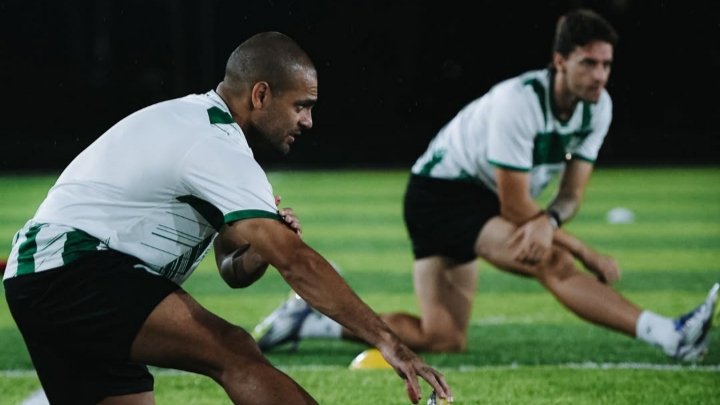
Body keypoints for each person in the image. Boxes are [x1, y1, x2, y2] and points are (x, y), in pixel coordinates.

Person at [3, 31, 453, 405]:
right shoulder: (214, 145)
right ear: (261, 95)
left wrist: (258, 251)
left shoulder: (208, 132)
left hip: (49, 278)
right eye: (301, 105)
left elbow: (231, 269)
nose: (308, 121)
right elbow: (297, 262)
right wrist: (389, 342)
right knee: (233, 350)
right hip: (71, 268)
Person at [252, 10, 719, 362]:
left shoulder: (599, 107)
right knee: (550, 260)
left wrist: (551, 221)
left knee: (443, 337)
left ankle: (311, 322)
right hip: (440, 195)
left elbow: (570, 195)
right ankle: (670, 335)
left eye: (606, 65)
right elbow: (515, 207)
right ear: (560, 61)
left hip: (476, 198)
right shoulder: (520, 103)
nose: (599, 75)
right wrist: (582, 250)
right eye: (588, 63)